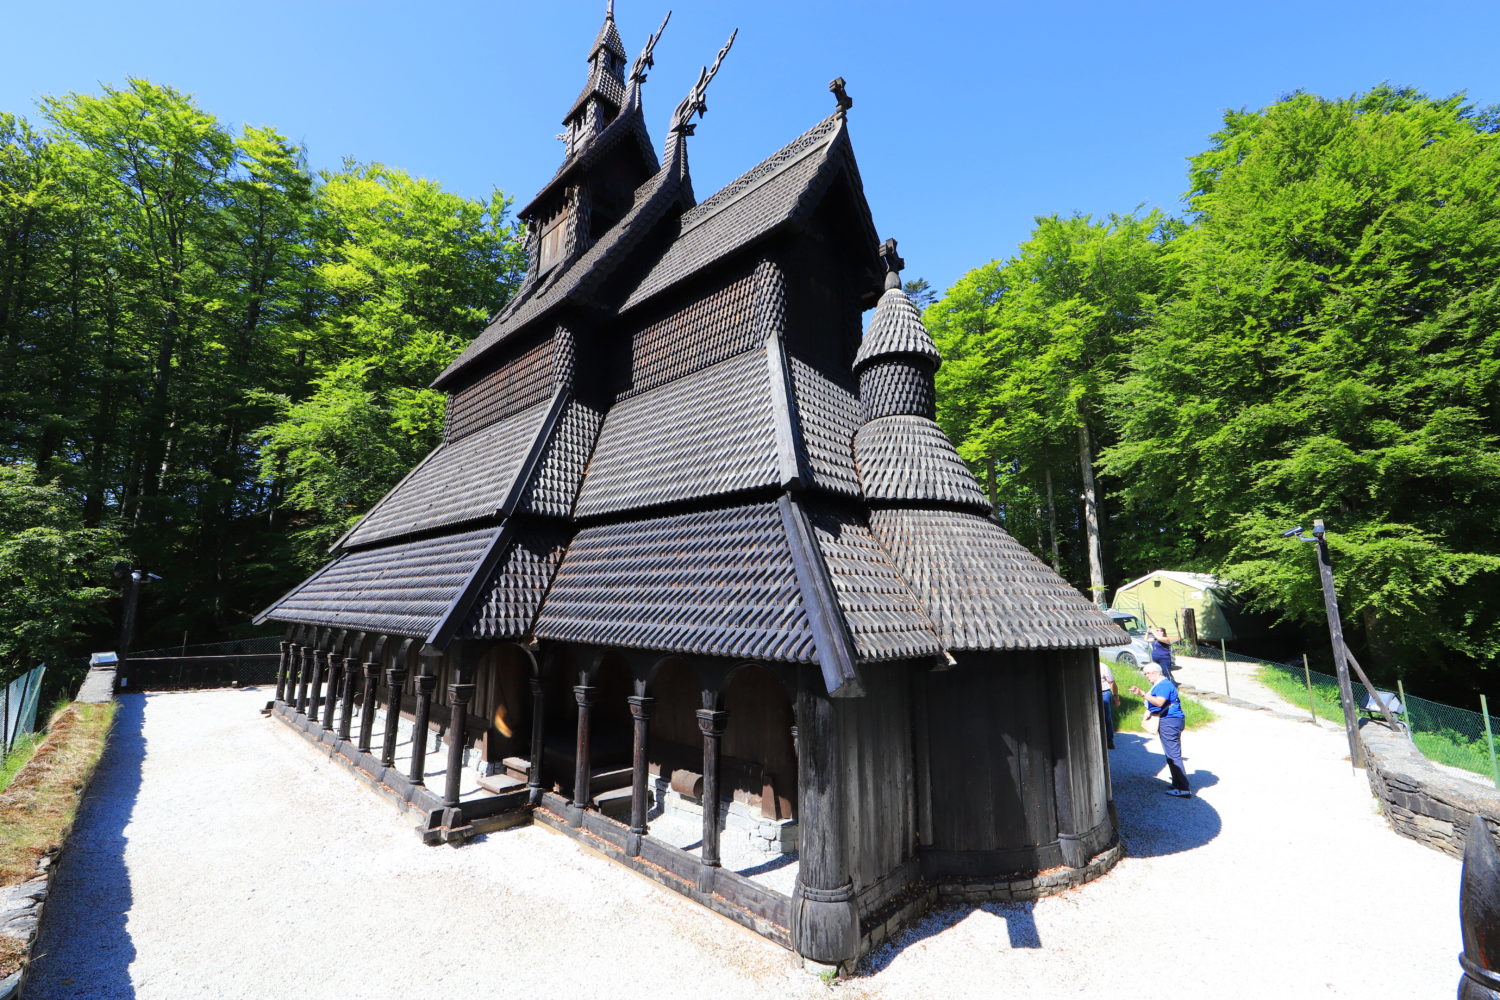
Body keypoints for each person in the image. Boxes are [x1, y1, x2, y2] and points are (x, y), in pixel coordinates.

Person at [1130, 662, 1191, 797]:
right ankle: (1177, 782)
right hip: (1171, 720)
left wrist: (1142, 693)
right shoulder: (1164, 684)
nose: (1146, 676)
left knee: (1173, 755)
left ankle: (1183, 788)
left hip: (1169, 721)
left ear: (1155, 672)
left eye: (1147, 674)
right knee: (1171, 754)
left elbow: (1159, 702)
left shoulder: (1163, 685)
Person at [1099, 661, 1119, 749]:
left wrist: (1115, 696)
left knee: (1107, 717)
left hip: (1104, 692)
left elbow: (1112, 683)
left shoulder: (1103, 666)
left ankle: (1109, 741)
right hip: (1090, 692)